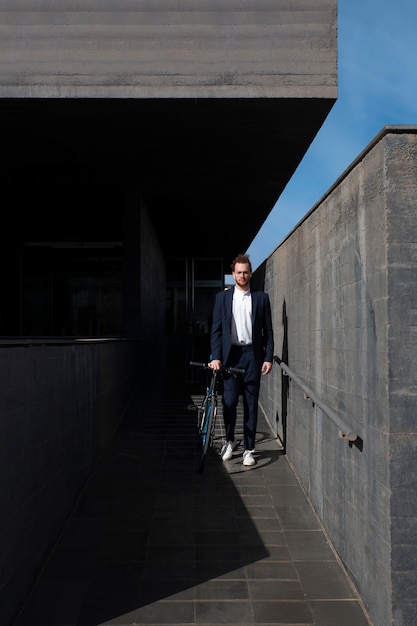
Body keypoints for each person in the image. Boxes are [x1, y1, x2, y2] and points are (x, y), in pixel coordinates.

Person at [209, 253, 274, 466]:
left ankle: (249, 449)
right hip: (230, 357)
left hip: (251, 356)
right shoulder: (222, 298)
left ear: (250, 273)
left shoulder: (262, 298)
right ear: (233, 274)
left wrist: (267, 358)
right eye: (239, 272)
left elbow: (269, 332)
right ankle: (229, 440)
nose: (242, 275)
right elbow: (216, 331)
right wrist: (216, 357)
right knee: (229, 403)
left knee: (250, 404)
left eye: (246, 272)